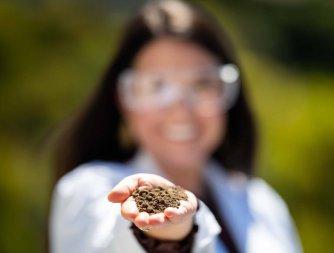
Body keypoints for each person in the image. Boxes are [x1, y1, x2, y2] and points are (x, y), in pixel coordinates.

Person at [49, 0, 303, 252]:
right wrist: (167, 234)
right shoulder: (88, 189)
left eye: (201, 85)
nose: (180, 108)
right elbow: (108, 242)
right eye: (156, 86)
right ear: (123, 100)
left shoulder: (262, 201)